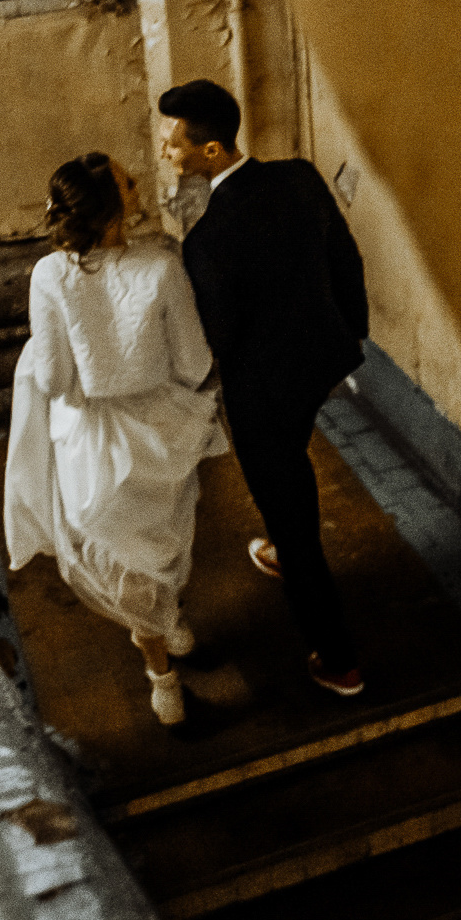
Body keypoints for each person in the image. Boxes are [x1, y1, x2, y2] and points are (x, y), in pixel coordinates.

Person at [158, 79, 369, 698]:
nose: (168, 151)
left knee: (296, 522)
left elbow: (219, 338)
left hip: (263, 394)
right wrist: (348, 336)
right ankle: (280, 543)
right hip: (323, 360)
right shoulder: (300, 178)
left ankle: (339, 660)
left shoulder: (207, 241)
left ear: (214, 151)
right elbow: (345, 260)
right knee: (293, 465)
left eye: (176, 144)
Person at [4, 152, 225, 726]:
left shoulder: (49, 275)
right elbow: (197, 361)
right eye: (128, 181)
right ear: (114, 204)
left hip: (93, 441)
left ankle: (164, 683)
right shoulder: (162, 267)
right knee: (163, 538)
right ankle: (167, 641)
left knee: (120, 550)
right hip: (158, 432)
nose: (137, 183)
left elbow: (52, 379)